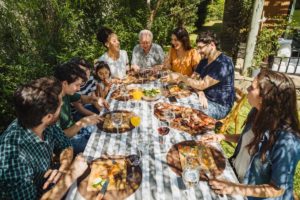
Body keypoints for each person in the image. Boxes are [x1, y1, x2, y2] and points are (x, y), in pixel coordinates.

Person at [200, 69, 300, 200]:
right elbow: (247, 138)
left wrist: (234, 188)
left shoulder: (287, 141)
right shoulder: (256, 112)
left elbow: (277, 189)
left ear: (265, 98)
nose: (247, 88)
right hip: (234, 176)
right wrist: (222, 137)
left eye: (252, 87)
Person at [0, 77, 88, 199]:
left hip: (52, 185)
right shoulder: (12, 157)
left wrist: (63, 170)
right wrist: (70, 175)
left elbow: (66, 145)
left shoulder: (43, 122)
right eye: (60, 104)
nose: (62, 105)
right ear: (49, 116)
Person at [169, 31, 235, 119]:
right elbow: (192, 79)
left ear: (211, 45)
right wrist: (200, 92)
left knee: (186, 114)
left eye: (200, 48)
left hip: (219, 105)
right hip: (202, 98)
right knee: (174, 102)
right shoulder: (204, 60)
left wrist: (180, 77)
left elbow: (202, 84)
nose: (199, 51)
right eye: (197, 48)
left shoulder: (224, 63)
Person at [54, 61, 109, 155]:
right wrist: (83, 122)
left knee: (104, 130)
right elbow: (61, 137)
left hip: (76, 130)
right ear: (65, 83)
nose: (79, 89)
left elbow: (84, 98)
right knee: (101, 146)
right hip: (67, 142)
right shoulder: (53, 103)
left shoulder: (66, 92)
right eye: (77, 85)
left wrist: (97, 99)